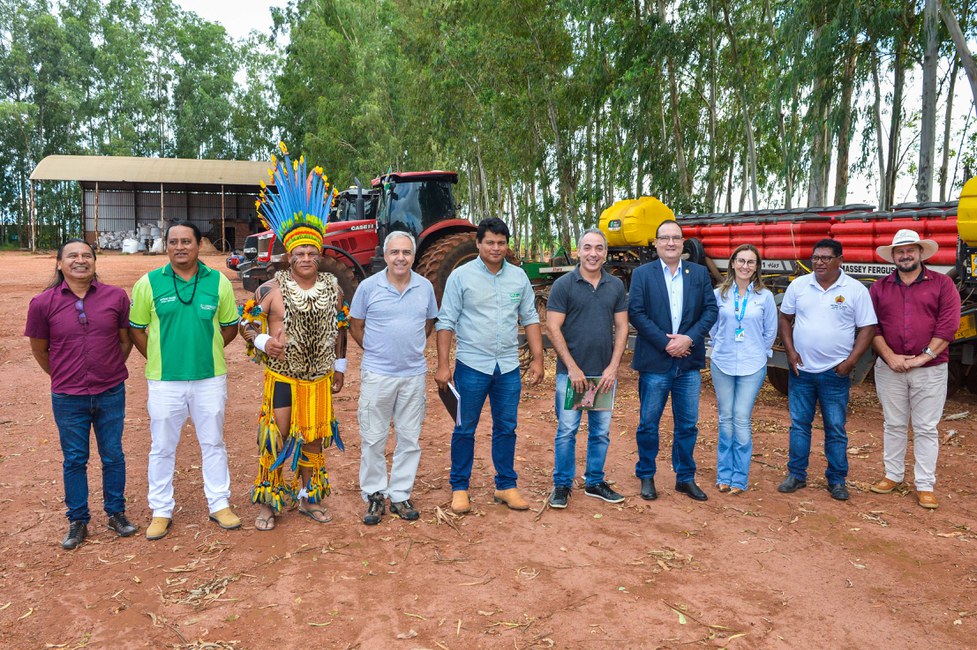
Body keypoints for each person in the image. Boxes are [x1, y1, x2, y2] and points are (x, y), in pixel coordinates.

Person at [240, 145, 347, 530]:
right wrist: (263, 342)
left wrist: (340, 366)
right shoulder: (270, 288)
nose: (305, 258)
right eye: (299, 252)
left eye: (311, 252)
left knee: (314, 439)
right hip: (283, 378)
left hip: (319, 379)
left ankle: (307, 498)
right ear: (288, 255)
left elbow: (341, 327)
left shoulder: (333, 287)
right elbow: (245, 324)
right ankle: (269, 503)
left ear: (319, 255)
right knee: (276, 438)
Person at [130, 221, 241, 540]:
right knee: (162, 447)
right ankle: (161, 510)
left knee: (213, 442)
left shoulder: (218, 281)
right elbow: (136, 328)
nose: (180, 247)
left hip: (210, 378)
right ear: (166, 246)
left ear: (198, 245)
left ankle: (219, 504)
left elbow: (230, 326)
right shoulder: (148, 283)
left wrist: (207, 350)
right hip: (165, 381)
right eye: (173, 242)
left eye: (186, 241)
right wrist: (157, 357)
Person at [25, 239, 137, 549]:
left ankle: (116, 514)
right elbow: (40, 349)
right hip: (67, 396)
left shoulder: (116, 297)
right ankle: (77, 520)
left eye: (87, 255)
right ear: (59, 263)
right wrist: (64, 375)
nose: (81, 260)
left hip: (110, 391)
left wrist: (109, 369)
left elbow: (124, 340)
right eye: (72, 255)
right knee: (74, 459)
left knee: (113, 454)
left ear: (95, 262)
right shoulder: (42, 303)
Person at [435, 217, 544, 514]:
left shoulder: (518, 277)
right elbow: (446, 322)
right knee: (464, 428)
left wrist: (538, 359)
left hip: (507, 367)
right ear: (478, 244)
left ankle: (505, 485)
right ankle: (460, 488)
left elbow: (530, 318)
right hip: (471, 365)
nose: (496, 248)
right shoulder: (461, 277)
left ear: (507, 245)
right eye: (490, 242)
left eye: (501, 243)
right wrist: (443, 365)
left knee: (507, 427)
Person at [349, 231, 438, 525]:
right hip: (378, 375)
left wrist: (407, 350)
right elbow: (356, 325)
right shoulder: (368, 287)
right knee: (373, 438)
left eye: (406, 252)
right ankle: (374, 494)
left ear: (413, 256)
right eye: (395, 252)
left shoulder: (425, 287)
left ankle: (400, 494)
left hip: (413, 375)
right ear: (385, 256)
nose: (401, 258)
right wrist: (377, 352)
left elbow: (428, 323)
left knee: (409, 438)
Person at [868, 229, 961, 509]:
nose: (905, 255)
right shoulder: (879, 287)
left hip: (930, 369)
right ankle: (893, 475)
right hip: (890, 368)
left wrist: (922, 358)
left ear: (921, 253)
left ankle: (925, 485)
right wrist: (890, 357)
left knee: (925, 427)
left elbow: (948, 326)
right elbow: (871, 327)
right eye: (900, 251)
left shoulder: (943, 284)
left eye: (910, 250)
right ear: (893, 256)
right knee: (893, 423)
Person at [777, 239, 876, 501]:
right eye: (815, 257)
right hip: (802, 372)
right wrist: (790, 352)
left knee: (835, 428)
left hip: (835, 373)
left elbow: (868, 328)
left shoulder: (855, 290)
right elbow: (785, 318)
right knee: (799, 425)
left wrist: (851, 362)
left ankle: (837, 480)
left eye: (825, 258)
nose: (819, 262)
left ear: (840, 260)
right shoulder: (799, 286)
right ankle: (796, 474)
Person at [628, 220, 718, 501]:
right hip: (655, 363)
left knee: (688, 425)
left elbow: (710, 310)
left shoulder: (698, 273)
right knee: (648, 423)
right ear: (655, 243)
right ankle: (646, 475)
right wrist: (666, 343)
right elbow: (636, 313)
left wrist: (689, 339)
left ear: (683, 243)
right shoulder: (642, 274)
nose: (670, 243)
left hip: (688, 363)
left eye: (676, 238)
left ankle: (685, 478)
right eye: (664, 238)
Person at [546, 228, 628, 509]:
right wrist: (572, 368)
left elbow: (622, 327)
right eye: (588, 248)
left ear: (605, 253)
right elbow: (553, 327)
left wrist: (613, 368)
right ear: (578, 251)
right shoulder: (564, 285)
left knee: (600, 432)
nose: (593, 253)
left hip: (603, 375)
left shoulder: (615, 286)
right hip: (572, 375)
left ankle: (594, 481)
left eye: (599, 248)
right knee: (567, 431)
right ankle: (562, 485)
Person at [708, 244, 778, 495]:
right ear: (732, 263)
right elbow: (712, 327)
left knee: (740, 418)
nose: (745, 266)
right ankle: (723, 474)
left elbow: (770, 331)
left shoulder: (765, 297)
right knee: (725, 418)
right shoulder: (719, 294)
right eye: (741, 261)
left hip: (752, 364)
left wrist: (758, 351)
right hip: (723, 362)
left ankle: (739, 477)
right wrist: (722, 344)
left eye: (750, 262)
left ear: (757, 267)